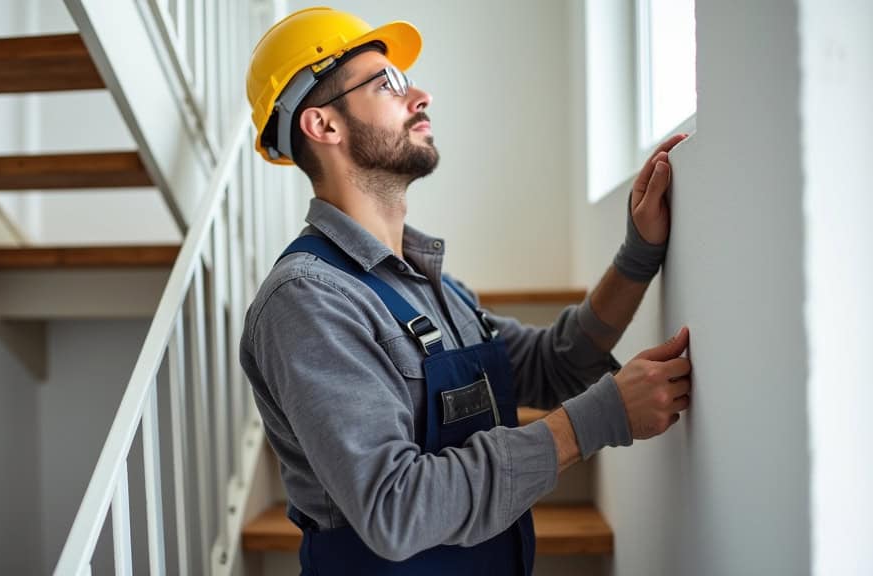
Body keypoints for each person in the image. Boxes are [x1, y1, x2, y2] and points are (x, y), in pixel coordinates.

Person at [240, 7, 692, 575]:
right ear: (322, 125)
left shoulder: (435, 288)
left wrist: (638, 254)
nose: (421, 95)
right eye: (390, 84)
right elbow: (394, 506)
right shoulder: (309, 300)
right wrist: (595, 421)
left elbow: (555, 365)